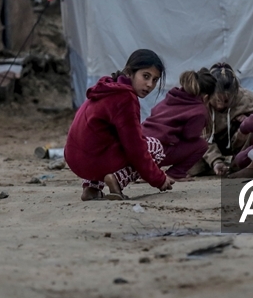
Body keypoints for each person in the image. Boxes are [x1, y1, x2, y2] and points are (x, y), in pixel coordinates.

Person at [65, 49, 175, 200]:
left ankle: (91, 189)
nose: (150, 84)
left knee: (105, 139)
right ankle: (117, 179)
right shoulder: (126, 97)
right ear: (130, 73)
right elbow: (136, 148)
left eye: (155, 80)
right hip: (93, 160)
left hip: (74, 158)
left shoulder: (107, 88)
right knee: (154, 147)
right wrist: (159, 179)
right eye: (146, 76)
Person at [141, 68, 217, 181]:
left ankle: (149, 170)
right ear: (206, 97)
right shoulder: (198, 110)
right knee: (201, 145)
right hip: (157, 151)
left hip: (141, 143)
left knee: (164, 140)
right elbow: (190, 136)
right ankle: (175, 173)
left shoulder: (172, 96)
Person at [192, 62, 253, 177]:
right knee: (192, 164)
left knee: (251, 129)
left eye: (226, 101)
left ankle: (239, 163)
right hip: (210, 147)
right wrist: (216, 161)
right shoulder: (202, 104)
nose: (221, 106)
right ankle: (220, 166)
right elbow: (203, 138)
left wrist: (250, 120)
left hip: (238, 145)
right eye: (217, 101)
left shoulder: (246, 98)